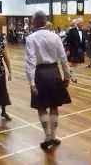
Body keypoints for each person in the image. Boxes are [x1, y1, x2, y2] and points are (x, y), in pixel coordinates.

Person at [25, 11, 71, 151]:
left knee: (41, 107)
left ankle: (47, 137)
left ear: (35, 22)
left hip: (40, 74)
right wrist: (67, 76)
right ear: (45, 21)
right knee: (54, 106)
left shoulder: (31, 38)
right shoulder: (55, 36)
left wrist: (31, 82)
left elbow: (31, 62)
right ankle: (53, 136)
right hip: (54, 73)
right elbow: (63, 58)